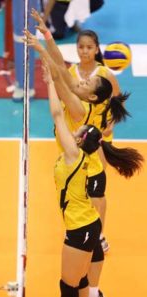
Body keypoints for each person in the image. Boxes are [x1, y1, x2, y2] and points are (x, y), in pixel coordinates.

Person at [24, 16, 130, 296]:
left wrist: (42, 49)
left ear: (96, 49)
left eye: (88, 47)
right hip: (81, 152)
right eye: (80, 46)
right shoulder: (85, 92)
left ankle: (94, 273)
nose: (83, 51)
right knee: (87, 226)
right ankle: (92, 251)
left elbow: (62, 86)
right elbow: (62, 72)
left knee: (92, 226)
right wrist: (46, 38)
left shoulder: (89, 97)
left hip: (87, 159)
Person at [42, 61, 143, 297]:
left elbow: (57, 115)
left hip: (81, 228)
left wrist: (50, 81)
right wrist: (50, 81)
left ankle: (94, 291)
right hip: (86, 224)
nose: (72, 130)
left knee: (69, 286)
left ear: (78, 141)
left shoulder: (73, 156)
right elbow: (59, 115)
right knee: (80, 280)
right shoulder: (80, 154)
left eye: (76, 131)